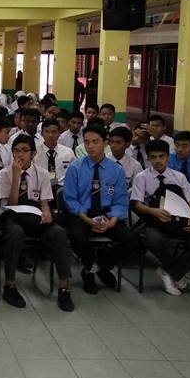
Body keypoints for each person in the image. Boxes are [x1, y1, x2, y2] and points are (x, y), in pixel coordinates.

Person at [0, 135, 75, 311]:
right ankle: (10, 285)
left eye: (25, 151)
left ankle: (64, 287)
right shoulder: (5, 173)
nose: (20, 155)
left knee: (59, 233)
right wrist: (16, 177)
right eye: (16, 151)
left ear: (33, 153)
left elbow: (45, 202)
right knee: (15, 234)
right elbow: (11, 204)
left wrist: (46, 212)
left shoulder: (41, 173)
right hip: (12, 215)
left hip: (34, 215)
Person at [64, 124, 137, 294]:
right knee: (76, 236)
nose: (90, 146)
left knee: (131, 241)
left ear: (105, 142)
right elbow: (70, 199)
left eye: (95, 142)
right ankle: (88, 267)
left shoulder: (116, 170)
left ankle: (102, 266)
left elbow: (120, 200)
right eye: (87, 142)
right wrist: (87, 219)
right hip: (82, 213)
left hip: (106, 214)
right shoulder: (75, 168)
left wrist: (112, 221)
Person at [130, 140, 190, 296]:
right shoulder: (142, 177)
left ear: (168, 157)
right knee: (154, 240)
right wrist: (153, 211)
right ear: (149, 159)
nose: (158, 160)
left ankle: (170, 272)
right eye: (153, 157)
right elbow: (137, 204)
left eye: (161, 156)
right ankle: (174, 271)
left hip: (179, 221)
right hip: (154, 221)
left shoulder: (178, 177)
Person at [35, 119, 75, 190]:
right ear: (41, 133)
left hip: (62, 189)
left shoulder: (68, 152)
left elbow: (74, 174)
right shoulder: (35, 153)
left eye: (54, 132)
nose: (50, 135)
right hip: (41, 189)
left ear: (59, 133)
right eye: (47, 131)